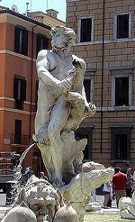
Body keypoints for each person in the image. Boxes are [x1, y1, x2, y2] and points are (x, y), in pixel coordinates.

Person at [34, 25, 96, 187]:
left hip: (64, 101)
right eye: (53, 37)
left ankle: (57, 177)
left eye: (57, 36)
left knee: (53, 132)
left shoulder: (77, 63)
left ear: (68, 40)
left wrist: (85, 103)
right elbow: (42, 72)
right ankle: (58, 171)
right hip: (46, 104)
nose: (53, 39)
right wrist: (58, 83)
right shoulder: (46, 55)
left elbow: (79, 86)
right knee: (43, 141)